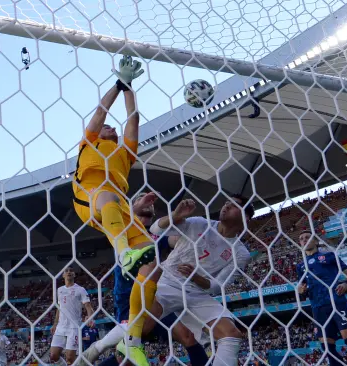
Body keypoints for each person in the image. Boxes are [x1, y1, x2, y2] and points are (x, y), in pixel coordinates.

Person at [71, 55, 156, 365]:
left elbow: (132, 119)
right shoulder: (88, 143)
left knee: (154, 255)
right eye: (106, 127)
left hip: (120, 207)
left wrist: (131, 89)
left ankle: (131, 341)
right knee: (107, 196)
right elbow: (100, 112)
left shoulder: (126, 152)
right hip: (90, 198)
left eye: (112, 128)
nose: (109, 126)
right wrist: (119, 84)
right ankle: (123, 253)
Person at [79, 193, 209, 366]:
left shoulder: (156, 235)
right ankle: (98, 348)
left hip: (156, 297)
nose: (148, 204)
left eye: (151, 204)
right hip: (128, 297)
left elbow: (175, 240)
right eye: (142, 200)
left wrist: (192, 232)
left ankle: (101, 346)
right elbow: (118, 215)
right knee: (126, 357)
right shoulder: (122, 229)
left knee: (188, 336)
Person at [137, 194, 254, 366]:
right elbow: (155, 229)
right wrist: (176, 216)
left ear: (245, 218)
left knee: (231, 334)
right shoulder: (200, 223)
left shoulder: (240, 253)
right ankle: (98, 350)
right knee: (141, 327)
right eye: (226, 202)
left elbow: (217, 287)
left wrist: (196, 277)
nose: (226, 206)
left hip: (197, 294)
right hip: (168, 282)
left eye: (234, 205)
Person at [296, 230, 347, 366]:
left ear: (316, 241)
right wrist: (301, 291)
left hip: (337, 301)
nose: (304, 239)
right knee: (327, 348)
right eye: (301, 238)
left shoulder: (329, 256)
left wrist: (346, 283)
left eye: (307, 237)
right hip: (318, 307)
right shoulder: (300, 266)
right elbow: (302, 289)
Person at [51, 267, 95, 365]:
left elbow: (88, 306)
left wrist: (91, 318)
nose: (69, 272)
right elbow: (59, 308)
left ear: (74, 274)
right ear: (63, 275)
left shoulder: (80, 289)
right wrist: (55, 324)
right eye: (66, 271)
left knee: (70, 359)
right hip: (61, 327)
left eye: (71, 270)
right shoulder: (60, 290)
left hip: (74, 327)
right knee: (53, 355)